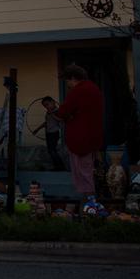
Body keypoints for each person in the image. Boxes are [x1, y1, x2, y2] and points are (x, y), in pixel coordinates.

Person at [51, 64, 105, 200]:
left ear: (73, 78)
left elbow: (63, 112)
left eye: (67, 81)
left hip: (80, 138)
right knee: (89, 170)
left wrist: (54, 110)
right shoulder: (94, 89)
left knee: (82, 172)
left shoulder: (78, 91)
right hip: (94, 137)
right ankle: (91, 200)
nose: (68, 85)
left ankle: (90, 204)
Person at [31, 96, 66, 171]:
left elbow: (61, 119)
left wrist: (52, 114)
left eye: (47, 104)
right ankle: (57, 166)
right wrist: (37, 129)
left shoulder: (57, 111)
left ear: (53, 102)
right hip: (48, 133)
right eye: (45, 106)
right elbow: (46, 123)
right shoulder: (48, 113)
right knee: (51, 150)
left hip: (54, 133)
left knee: (52, 150)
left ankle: (60, 167)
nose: (46, 107)